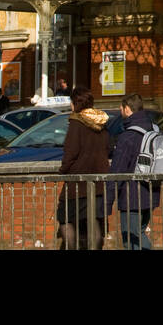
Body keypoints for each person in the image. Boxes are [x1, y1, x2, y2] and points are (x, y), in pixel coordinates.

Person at [106, 93, 162, 250]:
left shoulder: (127, 136)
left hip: (131, 197)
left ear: (127, 109)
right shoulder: (153, 129)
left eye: (121, 109)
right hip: (150, 193)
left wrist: (107, 202)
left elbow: (117, 171)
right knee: (140, 233)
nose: (120, 112)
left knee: (131, 240)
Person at [58, 88, 110, 250]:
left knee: (65, 219)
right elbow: (108, 148)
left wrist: (63, 169)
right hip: (98, 182)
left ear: (75, 103)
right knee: (93, 220)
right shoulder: (101, 123)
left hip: (77, 183)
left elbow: (70, 151)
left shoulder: (76, 123)